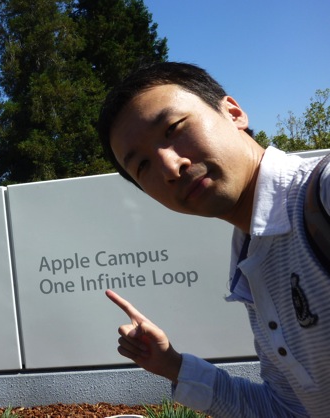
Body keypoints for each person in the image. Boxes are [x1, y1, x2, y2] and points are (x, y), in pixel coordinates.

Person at [97, 61, 330, 417]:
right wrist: (172, 366)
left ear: (233, 112)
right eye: (142, 166)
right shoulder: (252, 260)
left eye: (173, 128)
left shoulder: (322, 196)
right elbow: (288, 408)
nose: (170, 168)